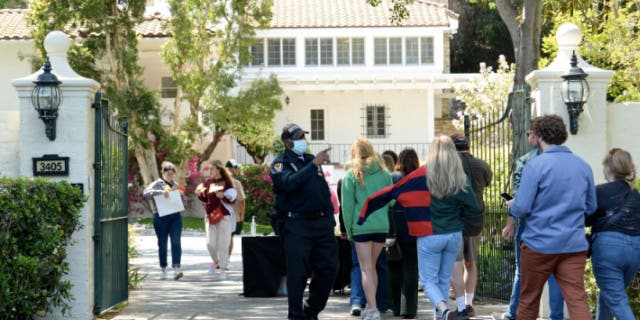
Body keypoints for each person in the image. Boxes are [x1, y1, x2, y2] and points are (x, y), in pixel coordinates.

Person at [359, 136, 480, 320]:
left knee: (428, 280)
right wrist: (457, 212)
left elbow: (393, 192)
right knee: (442, 280)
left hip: (429, 234)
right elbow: (473, 206)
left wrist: (364, 214)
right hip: (453, 234)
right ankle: (441, 316)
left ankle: (445, 311)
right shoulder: (459, 177)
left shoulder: (421, 174)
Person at [507, 115, 596, 319]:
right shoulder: (583, 166)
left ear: (538, 136)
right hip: (573, 244)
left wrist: (513, 205)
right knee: (577, 299)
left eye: (531, 133)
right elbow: (591, 207)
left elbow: (522, 207)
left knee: (529, 300)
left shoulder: (535, 166)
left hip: (539, 244)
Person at [493, 128, 565, 320]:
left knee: (523, 270)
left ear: (536, 136)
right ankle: (556, 316)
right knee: (553, 272)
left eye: (529, 133)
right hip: (556, 223)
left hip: (530, 224)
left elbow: (518, 199)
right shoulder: (566, 161)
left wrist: (510, 223)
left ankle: (513, 314)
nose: (528, 137)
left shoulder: (526, 161)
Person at [270, 123, 337, 320]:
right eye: (298, 137)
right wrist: (313, 165)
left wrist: (330, 218)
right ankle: (296, 315)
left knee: (329, 268)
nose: (303, 141)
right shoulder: (280, 163)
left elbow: (323, 191)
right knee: (297, 273)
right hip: (296, 224)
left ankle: (312, 310)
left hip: (321, 224)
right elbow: (289, 184)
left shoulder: (309, 160)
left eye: (303, 137)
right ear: (287, 142)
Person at [341, 138, 393, 320]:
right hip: (381, 225)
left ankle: (372, 310)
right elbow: (392, 199)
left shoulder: (351, 174)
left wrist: (348, 229)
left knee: (366, 269)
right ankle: (373, 306)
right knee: (372, 267)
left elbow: (347, 207)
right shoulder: (384, 173)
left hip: (361, 226)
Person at [586, 148, 640, 320]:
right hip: (635, 249)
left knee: (616, 299)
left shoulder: (599, 192)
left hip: (608, 248)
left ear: (607, 169)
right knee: (608, 296)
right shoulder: (635, 194)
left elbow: (584, 219)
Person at [448, 134, 492, 319]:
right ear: (468, 146)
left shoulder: (450, 166)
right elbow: (488, 182)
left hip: (455, 220)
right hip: (475, 219)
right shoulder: (482, 165)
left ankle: (459, 306)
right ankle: (468, 304)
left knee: (455, 264)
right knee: (471, 263)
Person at [388, 148, 420, 319]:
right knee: (411, 267)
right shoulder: (420, 178)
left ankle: (395, 305)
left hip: (395, 227)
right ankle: (409, 308)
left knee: (394, 266)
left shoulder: (393, 178)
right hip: (414, 226)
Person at [142, 161, 186, 280]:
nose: (170, 176)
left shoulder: (176, 185)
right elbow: (146, 193)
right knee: (162, 243)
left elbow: (184, 202)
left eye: (172, 174)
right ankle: (163, 268)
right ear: (163, 173)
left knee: (176, 242)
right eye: (168, 174)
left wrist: (181, 195)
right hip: (161, 217)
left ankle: (177, 268)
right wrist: (161, 192)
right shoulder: (157, 184)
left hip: (175, 217)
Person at [196, 160, 237, 280]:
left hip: (224, 216)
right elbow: (205, 199)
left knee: (223, 243)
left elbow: (233, 199)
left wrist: (223, 196)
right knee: (210, 243)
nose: (210, 171)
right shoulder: (208, 182)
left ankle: (222, 269)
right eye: (210, 169)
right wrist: (199, 194)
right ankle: (215, 261)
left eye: (212, 169)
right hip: (210, 216)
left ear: (219, 170)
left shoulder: (228, 182)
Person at [225, 159, 246, 266]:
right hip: (231, 215)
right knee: (228, 237)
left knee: (228, 236)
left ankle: (225, 259)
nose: (237, 170)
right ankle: (225, 259)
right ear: (231, 169)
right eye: (236, 168)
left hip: (231, 215)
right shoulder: (236, 183)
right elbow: (242, 201)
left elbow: (242, 200)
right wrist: (242, 214)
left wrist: (242, 214)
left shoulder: (235, 183)